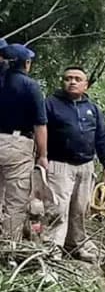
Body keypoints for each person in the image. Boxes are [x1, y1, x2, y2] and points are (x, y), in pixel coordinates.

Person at [44, 66, 105, 256]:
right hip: (58, 165)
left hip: (85, 166)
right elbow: (40, 132)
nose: (72, 82)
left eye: (77, 79)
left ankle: (75, 246)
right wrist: (40, 157)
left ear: (86, 85)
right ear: (63, 82)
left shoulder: (92, 108)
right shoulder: (50, 104)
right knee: (58, 209)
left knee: (80, 209)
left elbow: (100, 137)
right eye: (68, 78)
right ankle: (52, 249)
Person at [0, 44, 48, 240]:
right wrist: (43, 155)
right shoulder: (30, 86)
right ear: (26, 63)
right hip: (17, 144)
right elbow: (40, 125)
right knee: (16, 200)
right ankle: (9, 247)